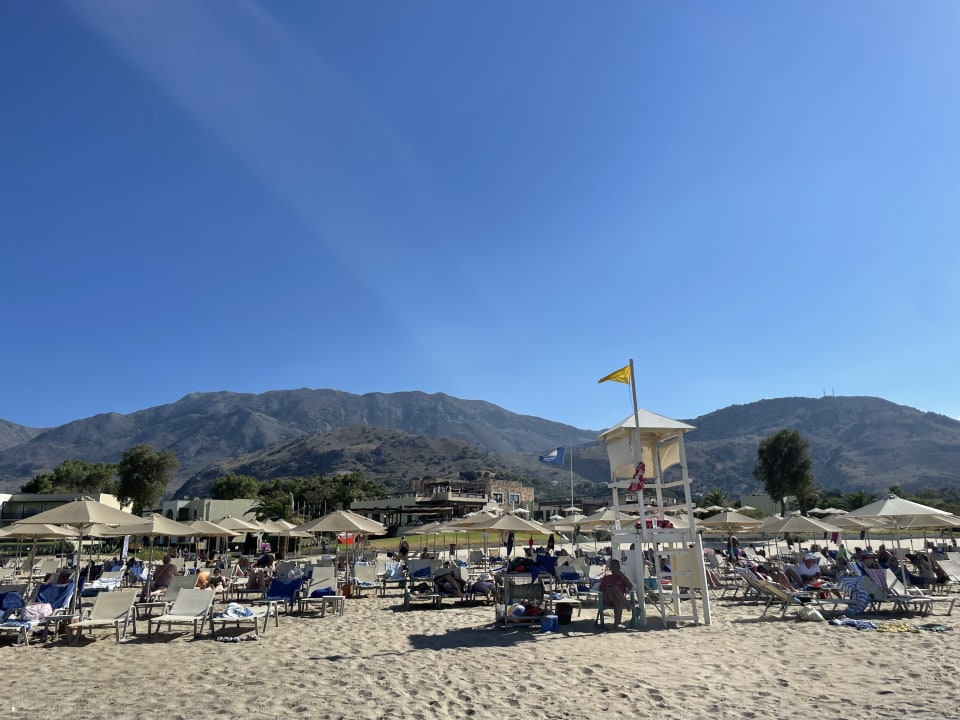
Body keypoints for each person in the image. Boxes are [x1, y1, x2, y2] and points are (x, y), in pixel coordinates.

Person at [598, 559, 633, 628]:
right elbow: (601, 589)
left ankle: (616, 624)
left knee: (617, 600)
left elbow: (630, 587)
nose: (615, 569)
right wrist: (608, 589)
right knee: (615, 588)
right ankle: (627, 605)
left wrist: (622, 576)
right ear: (610, 568)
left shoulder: (622, 578)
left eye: (616, 567)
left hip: (619, 599)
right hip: (608, 598)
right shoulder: (607, 577)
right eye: (613, 567)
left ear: (619, 567)